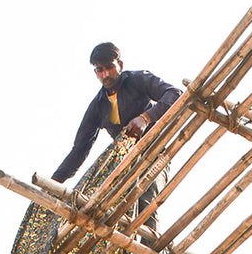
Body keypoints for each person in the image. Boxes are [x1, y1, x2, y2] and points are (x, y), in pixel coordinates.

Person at [52, 41, 180, 243]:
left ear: (119, 64)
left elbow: (174, 93)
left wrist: (145, 117)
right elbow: (79, 150)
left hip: (154, 153)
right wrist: (53, 183)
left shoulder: (138, 79)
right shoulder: (98, 106)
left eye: (109, 67)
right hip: (126, 164)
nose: (105, 74)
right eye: (99, 70)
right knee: (110, 210)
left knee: (146, 203)